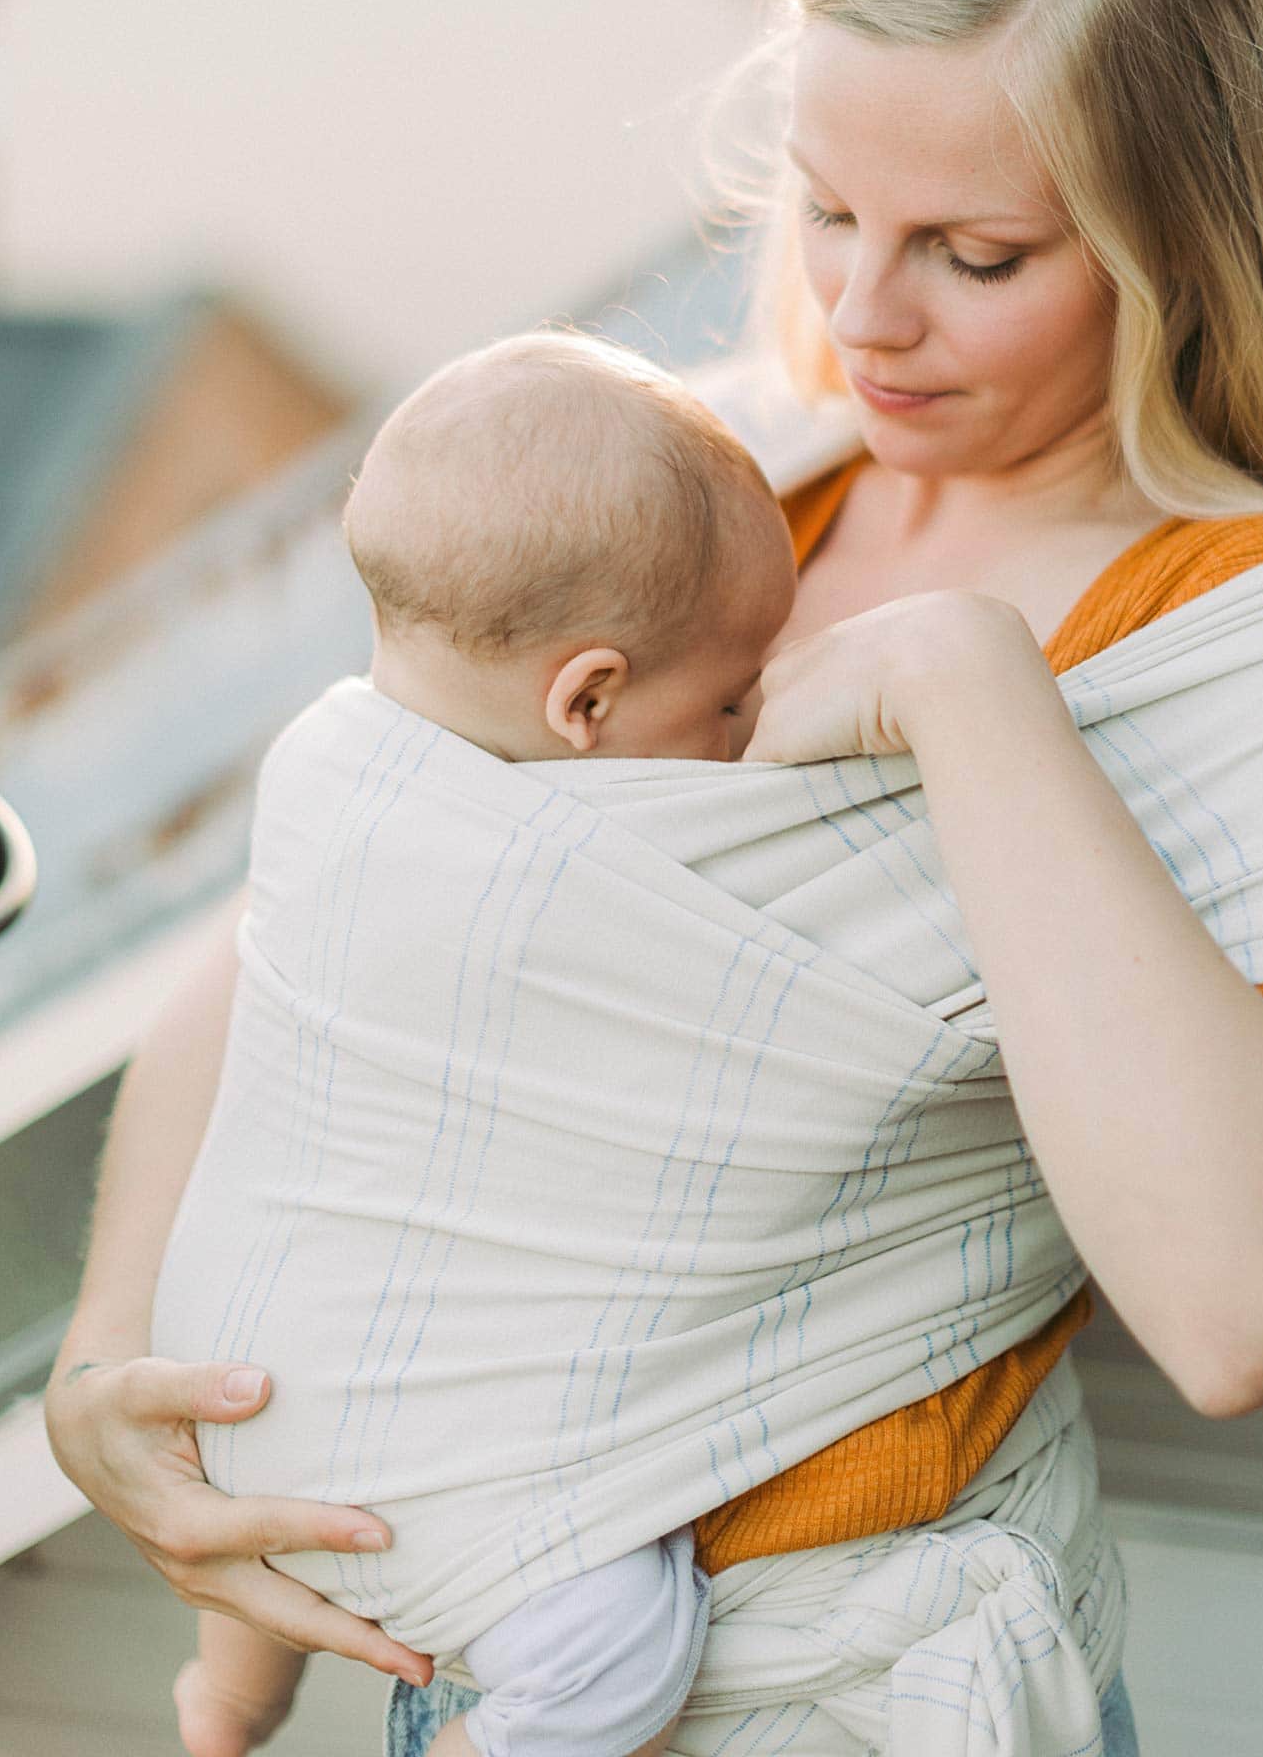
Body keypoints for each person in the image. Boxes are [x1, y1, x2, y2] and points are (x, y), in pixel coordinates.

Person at [47, 0, 1263, 1757]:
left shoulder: (1242, 624)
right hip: (470, 1636)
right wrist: (111, 1361)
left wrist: (967, 694)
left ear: (1182, 236)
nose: (861, 315)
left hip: (824, 1691)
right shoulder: (734, 489)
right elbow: (331, 917)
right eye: (823, 207)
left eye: (972, 251)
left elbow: (1241, 1300)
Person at [154, 328, 799, 1757]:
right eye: (733, 699)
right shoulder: (560, 884)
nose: (753, 734)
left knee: (274, 1421)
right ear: (586, 702)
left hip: (233, 1366)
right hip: (434, 1433)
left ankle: (227, 1700)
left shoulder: (327, 769)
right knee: (620, 1650)